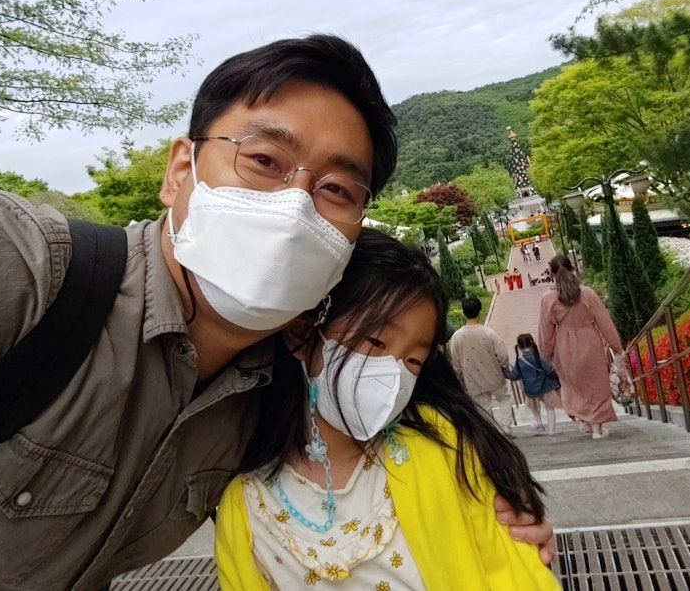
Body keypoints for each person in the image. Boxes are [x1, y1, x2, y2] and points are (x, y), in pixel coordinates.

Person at [0, 35, 551, 589]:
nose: (295, 206)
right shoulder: (15, 264)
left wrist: (499, 520)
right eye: (264, 160)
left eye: (336, 188)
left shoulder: (271, 396)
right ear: (180, 170)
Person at [215, 230, 560, 589]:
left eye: (413, 359)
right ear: (303, 330)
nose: (392, 373)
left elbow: (517, 574)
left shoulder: (445, 447)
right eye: (376, 340)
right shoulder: (246, 509)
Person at [537, 255, 624, 440]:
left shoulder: (548, 298)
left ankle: (583, 420)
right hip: (590, 342)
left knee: (573, 384)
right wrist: (616, 346)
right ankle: (597, 429)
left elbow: (546, 330)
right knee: (595, 384)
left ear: (552, 274)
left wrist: (546, 353)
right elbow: (604, 321)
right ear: (573, 269)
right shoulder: (587, 293)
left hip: (564, 346)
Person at [449, 297, 514, 434]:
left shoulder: (457, 336)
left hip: (473, 379)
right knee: (504, 398)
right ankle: (506, 427)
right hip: (494, 374)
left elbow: (455, 361)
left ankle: (492, 431)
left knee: (483, 407)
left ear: (463, 313)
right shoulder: (488, 333)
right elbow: (502, 355)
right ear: (479, 311)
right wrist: (504, 367)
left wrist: (460, 376)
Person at [505, 333, 562, 436]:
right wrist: (557, 376)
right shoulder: (538, 356)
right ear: (532, 343)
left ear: (519, 346)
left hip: (530, 389)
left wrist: (504, 372)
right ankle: (551, 431)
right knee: (550, 408)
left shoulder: (520, 360)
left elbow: (514, 376)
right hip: (546, 386)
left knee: (535, 408)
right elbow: (549, 369)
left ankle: (539, 424)